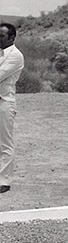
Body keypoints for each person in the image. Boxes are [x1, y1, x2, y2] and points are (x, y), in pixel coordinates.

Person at [0, 22, 25, 194]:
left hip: (4, 102)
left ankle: (4, 180)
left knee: (5, 142)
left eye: (2, 36)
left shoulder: (16, 56)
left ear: (12, 38)